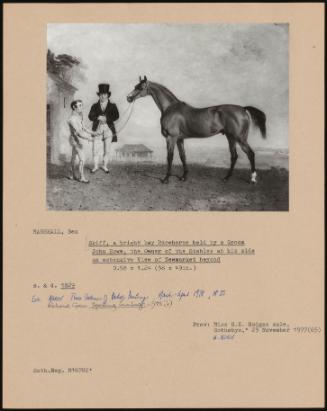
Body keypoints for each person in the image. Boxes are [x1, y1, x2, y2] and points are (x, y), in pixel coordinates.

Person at [67, 99, 102, 183]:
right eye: (79, 105)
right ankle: (81, 177)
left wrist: (94, 132)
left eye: (81, 105)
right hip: (76, 140)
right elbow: (78, 133)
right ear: (74, 107)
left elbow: (84, 128)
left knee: (74, 157)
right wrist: (89, 138)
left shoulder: (79, 117)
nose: (81, 107)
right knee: (82, 159)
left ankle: (72, 175)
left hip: (77, 139)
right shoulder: (72, 119)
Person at [88, 83, 119, 173]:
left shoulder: (113, 106)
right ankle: (95, 166)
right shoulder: (94, 106)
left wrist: (107, 119)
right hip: (97, 129)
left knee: (107, 149)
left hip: (108, 129)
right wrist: (97, 117)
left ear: (108, 95)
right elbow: (90, 116)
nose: (103, 96)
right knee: (95, 148)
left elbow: (116, 116)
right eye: (101, 94)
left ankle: (105, 166)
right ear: (99, 95)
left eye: (105, 94)